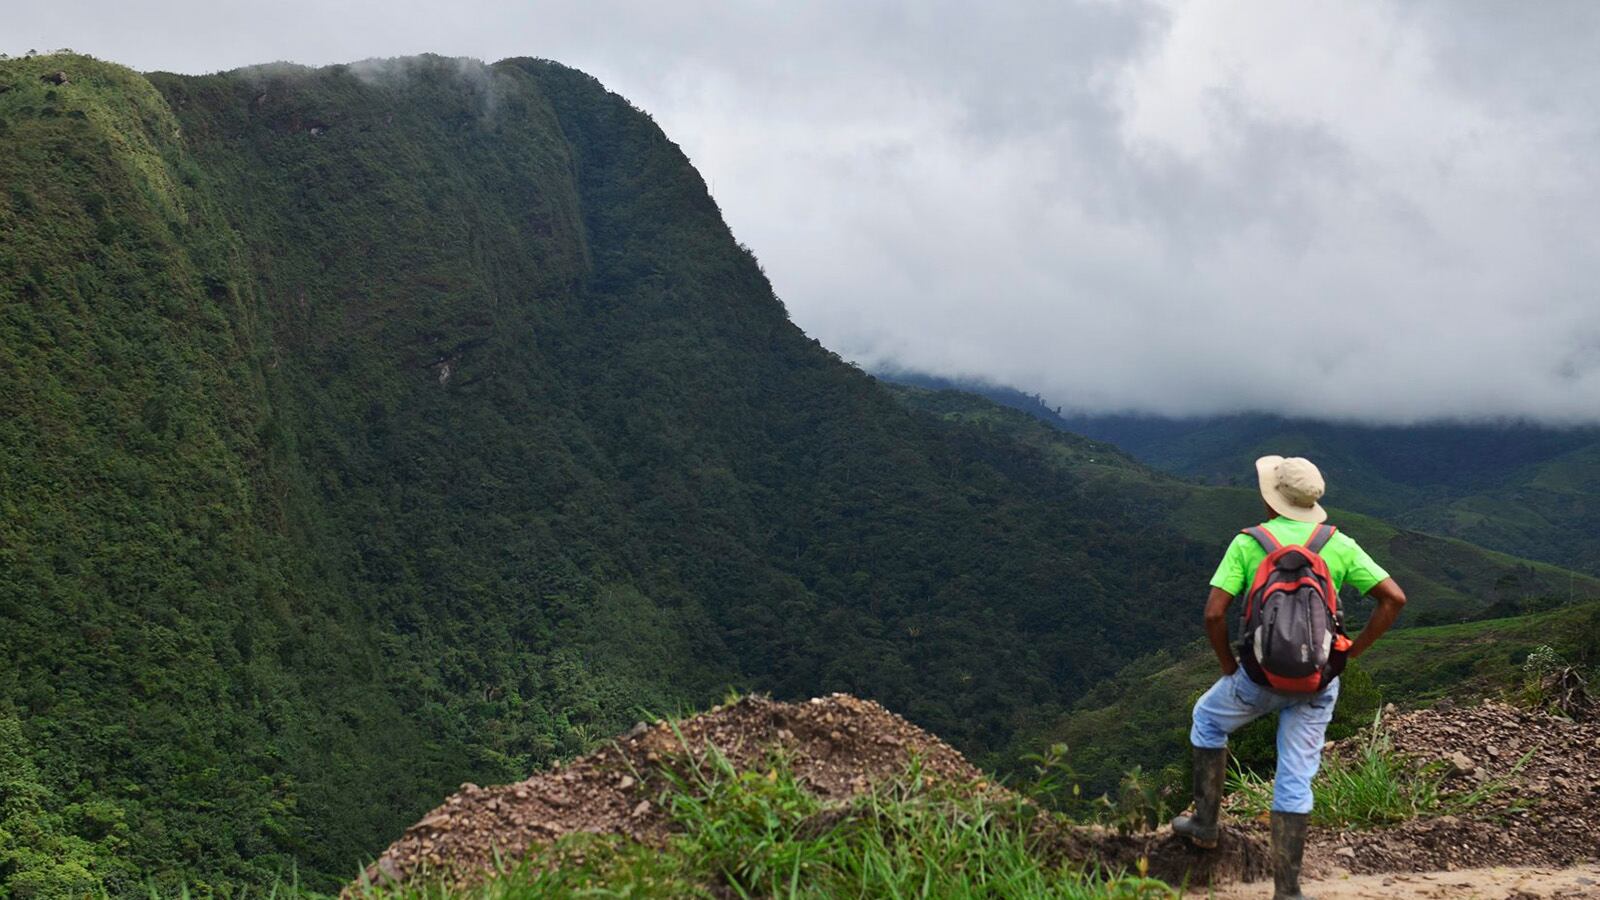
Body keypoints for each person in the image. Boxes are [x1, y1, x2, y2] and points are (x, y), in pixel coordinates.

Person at [1170, 455, 1407, 900]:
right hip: (1318, 682)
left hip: (1258, 679)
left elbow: (1214, 614)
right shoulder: (1338, 544)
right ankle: (1288, 889)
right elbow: (1393, 598)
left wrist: (1228, 665)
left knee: (1208, 719)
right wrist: (1350, 653)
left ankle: (1205, 824)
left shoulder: (1248, 543)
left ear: (1270, 499)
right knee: (1295, 775)